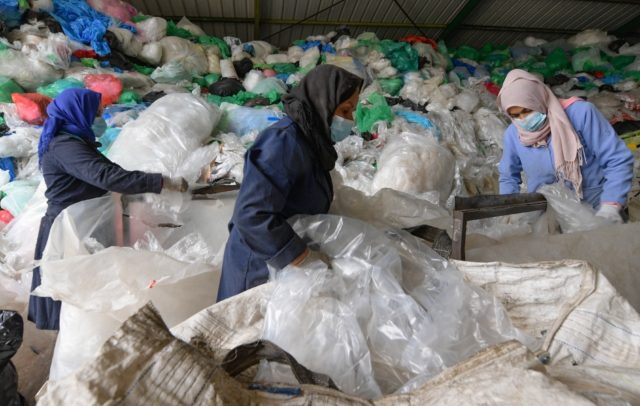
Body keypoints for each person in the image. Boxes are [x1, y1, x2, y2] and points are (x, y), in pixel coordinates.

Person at [28, 88, 187, 330]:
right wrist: (161, 182)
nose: (100, 118)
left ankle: (83, 330)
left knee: (85, 284)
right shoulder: (65, 147)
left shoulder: (75, 141)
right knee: (70, 289)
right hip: (68, 226)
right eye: (96, 113)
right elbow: (105, 176)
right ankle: (74, 337)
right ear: (78, 113)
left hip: (83, 220)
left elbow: (110, 172)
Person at [217, 65, 363, 301]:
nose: (350, 120)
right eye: (345, 110)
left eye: (352, 112)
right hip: (258, 265)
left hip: (280, 264)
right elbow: (252, 215)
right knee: (244, 334)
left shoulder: (312, 142)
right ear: (322, 101)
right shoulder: (284, 142)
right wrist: (302, 257)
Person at [497, 69, 634, 223]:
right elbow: (508, 176)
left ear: (538, 99)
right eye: (515, 115)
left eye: (527, 110)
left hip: (597, 209)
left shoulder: (580, 114)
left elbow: (617, 159)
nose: (523, 119)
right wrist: (508, 209)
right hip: (549, 216)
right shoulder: (513, 134)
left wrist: (611, 204)